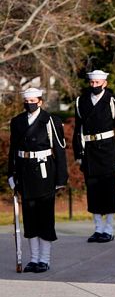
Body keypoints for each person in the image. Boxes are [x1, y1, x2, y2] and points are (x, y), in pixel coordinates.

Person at [7, 88, 68, 272]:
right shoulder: (17, 122)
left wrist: (61, 178)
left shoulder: (51, 121)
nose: (30, 104)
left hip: (45, 172)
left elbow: (59, 151)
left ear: (40, 102)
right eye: (27, 101)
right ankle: (33, 258)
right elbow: (13, 151)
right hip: (25, 173)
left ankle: (44, 259)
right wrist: (11, 174)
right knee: (30, 218)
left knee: (45, 217)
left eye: (33, 101)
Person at [73, 69, 115, 242]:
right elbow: (78, 129)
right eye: (92, 83)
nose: (94, 86)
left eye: (98, 83)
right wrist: (78, 153)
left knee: (109, 190)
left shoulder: (113, 101)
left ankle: (109, 229)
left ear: (105, 83)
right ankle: (98, 228)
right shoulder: (81, 101)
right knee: (93, 190)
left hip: (107, 151)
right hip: (89, 151)